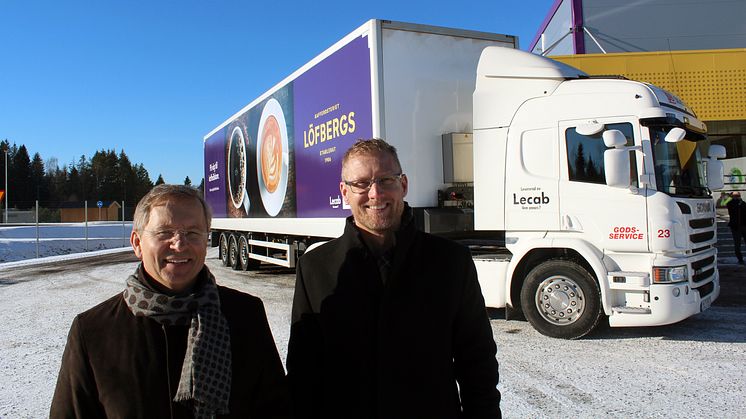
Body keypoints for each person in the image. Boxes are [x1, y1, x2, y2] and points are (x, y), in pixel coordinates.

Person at [286, 139, 500, 418]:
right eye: (361, 183)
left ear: (404, 185)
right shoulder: (315, 267)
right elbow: (304, 371)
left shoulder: (450, 262)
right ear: (344, 192)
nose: (375, 193)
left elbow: (477, 363)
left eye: (386, 180)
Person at [51, 184, 289, 418]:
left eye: (193, 233)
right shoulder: (94, 331)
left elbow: (274, 408)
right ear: (137, 243)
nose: (179, 244)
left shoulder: (245, 316)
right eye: (164, 232)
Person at [726, 191, 746, 264]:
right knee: (737, 244)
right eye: (735, 196)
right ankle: (740, 259)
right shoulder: (730, 203)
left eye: (738, 196)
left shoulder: (743, 203)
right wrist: (738, 204)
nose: (737, 197)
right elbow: (732, 211)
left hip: (744, 225)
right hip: (735, 227)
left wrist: (741, 203)